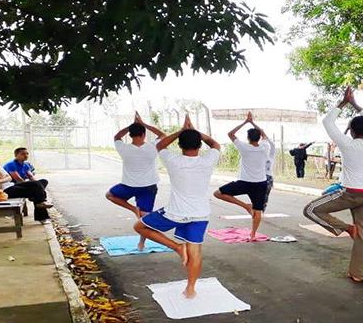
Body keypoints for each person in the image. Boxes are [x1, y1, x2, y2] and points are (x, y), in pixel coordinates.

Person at [134, 115, 220, 299]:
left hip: (175, 213)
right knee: (195, 250)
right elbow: (215, 145)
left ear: (180, 146)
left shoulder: (174, 161)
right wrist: (195, 132)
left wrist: (181, 131)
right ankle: (190, 288)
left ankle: (176, 247)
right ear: (199, 146)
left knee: (139, 226)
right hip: (200, 214)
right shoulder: (207, 161)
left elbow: (160, 145)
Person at [303, 87, 363, 283]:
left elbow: (327, 121)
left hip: (351, 194)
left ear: (353, 131)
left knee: (311, 210)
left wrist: (343, 102)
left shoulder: (347, 143)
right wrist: (355, 104)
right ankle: (358, 274)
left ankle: (346, 229)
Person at [107, 112, 165, 250]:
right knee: (145, 217)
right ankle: (142, 243)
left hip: (128, 186)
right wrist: (143, 124)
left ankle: (134, 209)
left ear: (130, 135)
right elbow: (162, 135)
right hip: (149, 187)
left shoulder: (124, 148)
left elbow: (117, 136)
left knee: (109, 195)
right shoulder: (152, 147)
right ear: (144, 134)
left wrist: (131, 125)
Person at [213, 112, 271, 240]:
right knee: (257, 211)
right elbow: (264, 134)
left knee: (217, 193)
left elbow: (231, 134)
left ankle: (245, 206)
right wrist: (252, 122)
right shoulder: (265, 147)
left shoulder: (243, 147)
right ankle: (253, 235)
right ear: (259, 137)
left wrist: (246, 122)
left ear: (248, 138)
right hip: (260, 183)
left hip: (245, 182)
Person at [0, 151, 52, 222]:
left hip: (11, 186)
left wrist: (0, 180)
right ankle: (41, 210)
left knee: (43, 181)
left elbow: (9, 177)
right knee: (36, 187)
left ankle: (38, 200)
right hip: (3, 191)